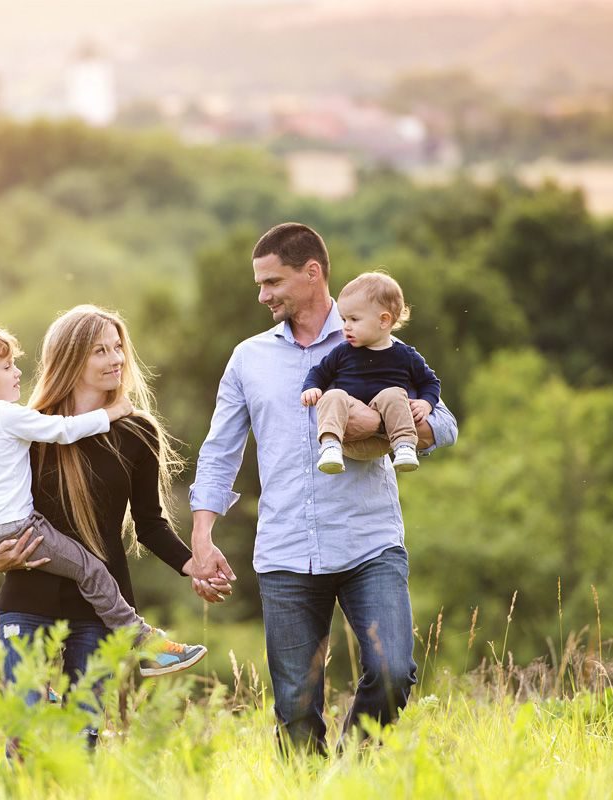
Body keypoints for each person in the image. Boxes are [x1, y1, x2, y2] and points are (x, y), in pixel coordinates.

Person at [187, 223, 458, 755]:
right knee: (294, 706)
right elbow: (220, 450)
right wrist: (202, 536)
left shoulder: (380, 342)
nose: (263, 295)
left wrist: (382, 427)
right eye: (259, 285)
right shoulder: (249, 358)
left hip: (369, 541)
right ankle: (311, 788)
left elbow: (444, 425)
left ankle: (349, 776)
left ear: (312, 273)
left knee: (392, 672)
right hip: (285, 550)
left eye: (272, 282)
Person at [0, 306, 228, 723]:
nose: (116, 359)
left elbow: (149, 524)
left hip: (98, 607)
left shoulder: (137, 431)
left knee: (83, 732)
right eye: (99, 351)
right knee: (24, 731)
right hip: (28, 596)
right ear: (72, 358)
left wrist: (194, 565)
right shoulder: (31, 426)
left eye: (117, 348)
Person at [300, 270, 442, 475]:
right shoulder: (343, 352)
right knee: (333, 395)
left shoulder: (405, 355)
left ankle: (405, 447)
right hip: (349, 437)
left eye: (354, 320)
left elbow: (430, 382)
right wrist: (311, 387)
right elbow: (319, 372)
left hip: (386, 441)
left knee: (394, 393)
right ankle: (329, 446)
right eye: (343, 319)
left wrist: (426, 403)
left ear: (384, 321)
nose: (345, 327)